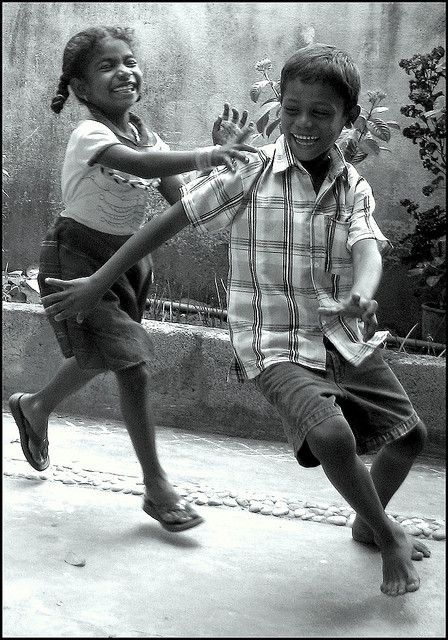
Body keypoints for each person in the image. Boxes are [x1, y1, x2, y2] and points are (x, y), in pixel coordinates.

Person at [41, 43, 431, 595]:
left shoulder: (352, 186)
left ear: (349, 120)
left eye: (321, 113)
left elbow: (367, 244)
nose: (303, 122)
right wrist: (99, 281)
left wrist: (364, 294)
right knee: (331, 433)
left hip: (342, 336)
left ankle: (369, 524)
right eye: (292, 108)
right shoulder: (252, 171)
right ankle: (389, 536)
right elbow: (170, 221)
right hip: (271, 341)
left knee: (409, 437)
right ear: (279, 105)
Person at [8, 25, 256, 533]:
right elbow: (138, 165)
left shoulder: (148, 136)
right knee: (134, 364)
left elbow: (184, 202)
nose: (125, 71)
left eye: (129, 60)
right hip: (77, 258)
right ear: (79, 88)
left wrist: (223, 167)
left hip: (125, 262)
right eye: (107, 66)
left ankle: (34, 406)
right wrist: (206, 155)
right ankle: (157, 488)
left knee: (101, 356)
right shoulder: (90, 135)